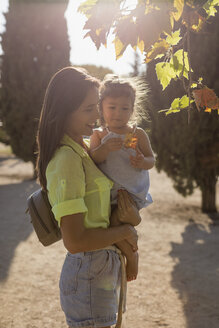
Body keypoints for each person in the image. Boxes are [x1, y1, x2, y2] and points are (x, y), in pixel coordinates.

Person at [36, 66, 138, 328]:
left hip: (101, 269)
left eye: (97, 106)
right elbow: (75, 240)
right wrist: (125, 230)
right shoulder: (66, 158)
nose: (98, 115)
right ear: (65, 110)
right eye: (88, 108)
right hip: (89, 274)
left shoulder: (83, 149)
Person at [90, 74, 155, 282]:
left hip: (132, 192)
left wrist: (141, 161)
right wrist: (104, 148)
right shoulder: (99, 135)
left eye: (125, 108)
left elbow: (151, 159)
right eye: (112, 107)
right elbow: (94, 160)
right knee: (110, 228)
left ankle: (131, 255)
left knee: (114, 224)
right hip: (108, 196)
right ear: (101, 107)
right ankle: (131, 252)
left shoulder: (135, 134)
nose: (118, 114)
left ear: (132, 109)